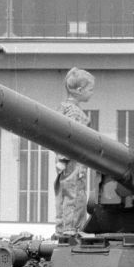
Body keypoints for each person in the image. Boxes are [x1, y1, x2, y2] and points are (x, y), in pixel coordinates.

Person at [54, 67, 95, 238]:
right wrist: (64, 158)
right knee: (75, 194)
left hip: (64, 162)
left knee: (63, 195)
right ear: (79, 90)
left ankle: (63, 227)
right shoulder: (76, 113)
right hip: (74, 163)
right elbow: (71, 139)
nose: (92, 93)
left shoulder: (63, 109)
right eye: (90, 89)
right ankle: (73, 229)